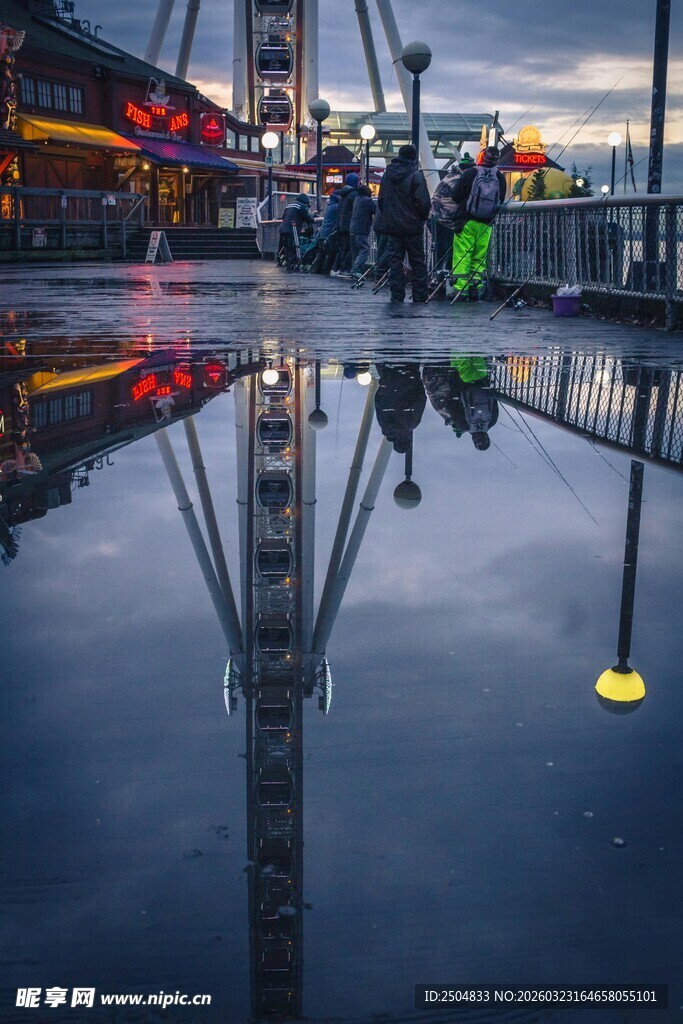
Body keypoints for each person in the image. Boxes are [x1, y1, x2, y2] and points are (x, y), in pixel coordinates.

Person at [450, 147, 506, 300]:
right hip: (486, 223)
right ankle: (476, 287)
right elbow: (500, 199)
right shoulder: (499, 176)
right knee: (479, 258)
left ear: (481, 156)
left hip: (466, 220)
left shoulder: (471, 173)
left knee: (463, 255)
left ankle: (461, 289)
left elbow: (455, 196)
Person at [377, 144, 431, 303]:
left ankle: (396, 295)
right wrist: (421, 217)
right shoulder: (415, 175)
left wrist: (390, 216)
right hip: (412, 226)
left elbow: (381, 200)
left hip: (392, 226)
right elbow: (423, 202)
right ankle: (420, 295)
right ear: (413, 157)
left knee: (395, 261)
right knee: (417, 261)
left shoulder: (387, 175)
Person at [374, 363, 426, 453]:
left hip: (409, 375)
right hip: (387, 376)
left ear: (407, 440)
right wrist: (384, 386)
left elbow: (420, 399)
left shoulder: (411, 423)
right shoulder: (384, 424)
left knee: (409, 350)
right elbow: (377, 401)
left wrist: (416, 381)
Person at [331, 172, 360, 276]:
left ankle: (340, 268)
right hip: (350, 225)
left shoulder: (343, 195)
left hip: (341, 225)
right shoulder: (354, 195)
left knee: (343, 247)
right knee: (350, 248)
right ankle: (347, 268)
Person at [278, 193, 314, 270]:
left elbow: (284, 217)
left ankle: (288, 263)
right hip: (292, 230)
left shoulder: (289, 206)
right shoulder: (301, 206)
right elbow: (308, 218)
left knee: (287, 247)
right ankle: (293, 264)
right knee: (293, 246)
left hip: (283, 229)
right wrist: (313, 218)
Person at [311, 188, 341, 274]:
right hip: (329, 233)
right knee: (332, 252)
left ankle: (317, 269)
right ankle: (326, 270)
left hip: (323, 232)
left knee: (322, 252)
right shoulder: (336, 207)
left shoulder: (328, 205)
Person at [349, 185, 376, 279]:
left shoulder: (357, 199)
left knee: (355, 251)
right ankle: (356, 270)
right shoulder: (367, 201)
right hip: (362, 228)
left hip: (352, 228)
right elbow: (376, 210)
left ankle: (354, 269)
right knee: (364, 249)